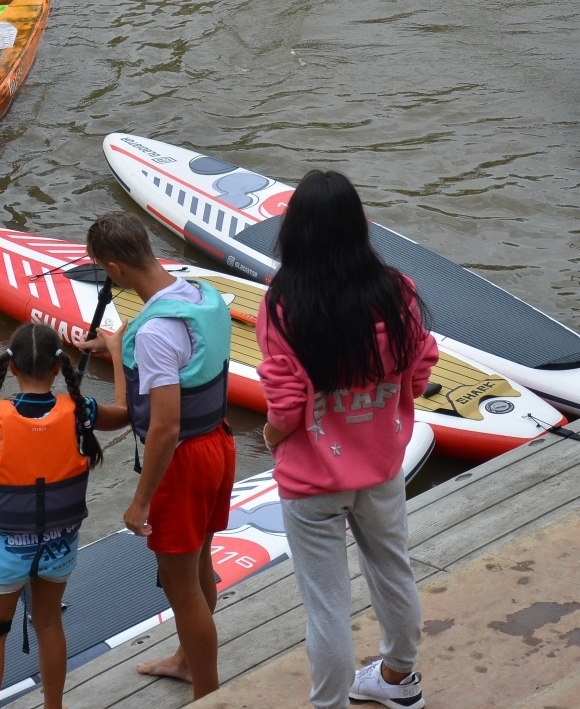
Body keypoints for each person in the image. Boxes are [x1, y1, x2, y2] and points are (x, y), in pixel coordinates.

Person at [256, 170, 437, 709]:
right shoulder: (397, 290)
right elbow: (421, 369)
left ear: (296, 232)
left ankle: (329, 704)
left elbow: (285, 408)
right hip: (383, 464)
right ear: (360, 226)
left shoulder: (284, 304)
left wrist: (269, 437)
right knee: (392, 569)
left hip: (311, 481)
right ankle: (399, 677)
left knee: (326, 606)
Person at [77, 212, 235, 699]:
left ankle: (207, 693)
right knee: (198, 565)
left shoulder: (153, 333)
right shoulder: (200, 296)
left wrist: (139, 501)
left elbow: (162, 427)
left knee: (180, 585)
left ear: (116, 270)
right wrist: (116, 345)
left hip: (183, 460)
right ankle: (188, 661)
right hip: (219, 443)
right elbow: (153, 399)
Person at [0, 322, 130, 709]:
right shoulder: (80, 410)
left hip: (7, 551)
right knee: (48, 623)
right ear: (59, 368)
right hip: (59, 546)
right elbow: (127, 412)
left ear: (11, 368)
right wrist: (117, 350)